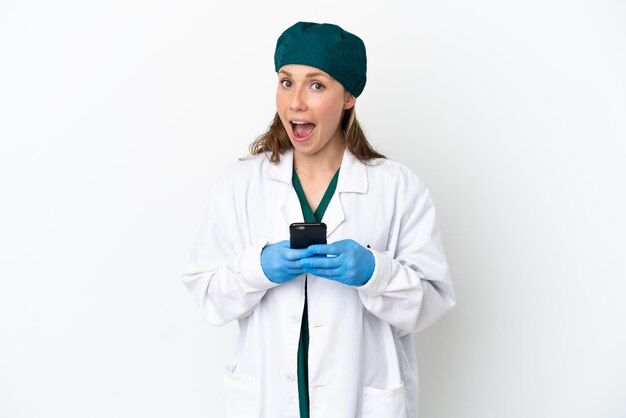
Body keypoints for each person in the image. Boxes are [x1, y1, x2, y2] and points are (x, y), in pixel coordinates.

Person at [180, 21, 456, 418]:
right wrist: (258, 268)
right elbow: (207, 295)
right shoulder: (240, 184)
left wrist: (374, 273)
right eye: (286, 82)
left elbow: (432, 303)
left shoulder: (397, 187)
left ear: (348, 97)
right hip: (265, 401)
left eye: (316, 85)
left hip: (361, 402)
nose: (295, 103)